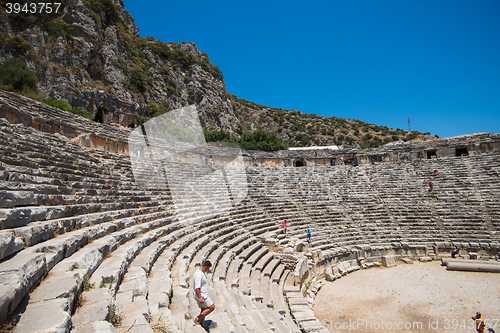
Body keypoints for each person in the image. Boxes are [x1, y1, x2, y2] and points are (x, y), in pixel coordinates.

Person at [193, 260, 215, 332]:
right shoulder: (199, 275)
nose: (207, 270)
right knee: (212, 307)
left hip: (202, 295)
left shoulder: (200, 272)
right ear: (205, 267)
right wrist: (200, 298)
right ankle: (197, 319)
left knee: (203, 309)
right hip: (202, 296)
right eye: (208, 269)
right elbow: (197, 288)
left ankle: (202, 325)